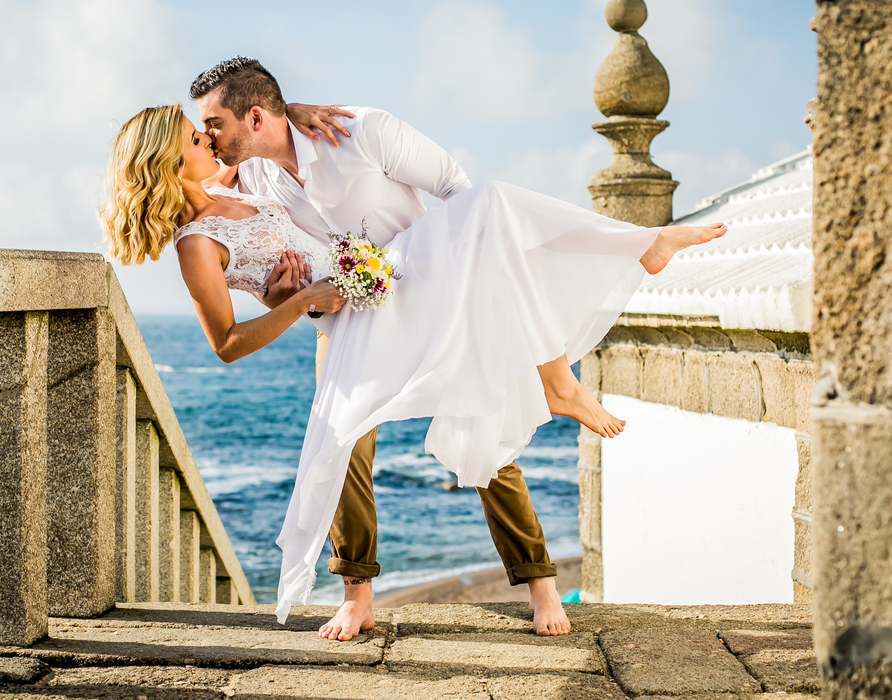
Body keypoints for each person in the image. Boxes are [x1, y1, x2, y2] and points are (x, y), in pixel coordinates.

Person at [97, 95, 725, 640]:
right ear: (169, 163)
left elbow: (258, 117)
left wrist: (298, 110)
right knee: (346, 453)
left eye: (205, 127)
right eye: (192, 136)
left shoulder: (242, 178)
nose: (206, 136)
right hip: (343, 324)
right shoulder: (196, 244)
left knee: (490, 229)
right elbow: (226, 343)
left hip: (387, 281)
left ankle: (539, 582)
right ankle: (357, 598)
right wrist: (294, 302)